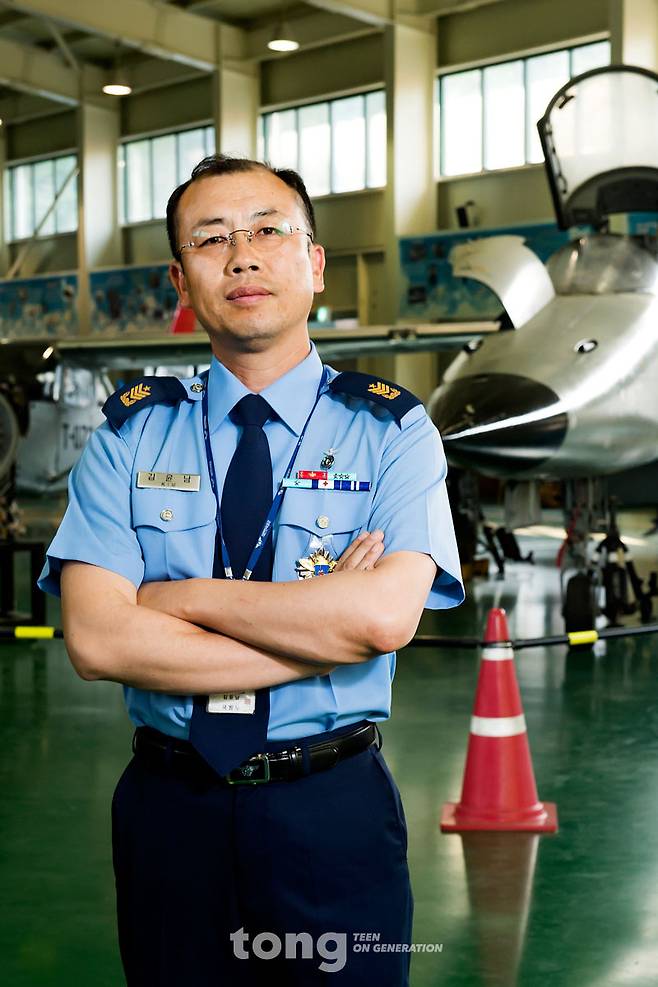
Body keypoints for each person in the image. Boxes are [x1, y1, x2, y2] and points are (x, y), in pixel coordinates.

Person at [38, 153, 464, 986]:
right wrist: (321, 629)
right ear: (180, 278)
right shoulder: (128, 436)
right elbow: (96, 638)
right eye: (211, 239)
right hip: (170, 810)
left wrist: (175, 598)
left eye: (269, 230)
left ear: (314, 261)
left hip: (331, 807)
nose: (242, 256)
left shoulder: (393, 431)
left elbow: (382, 618)